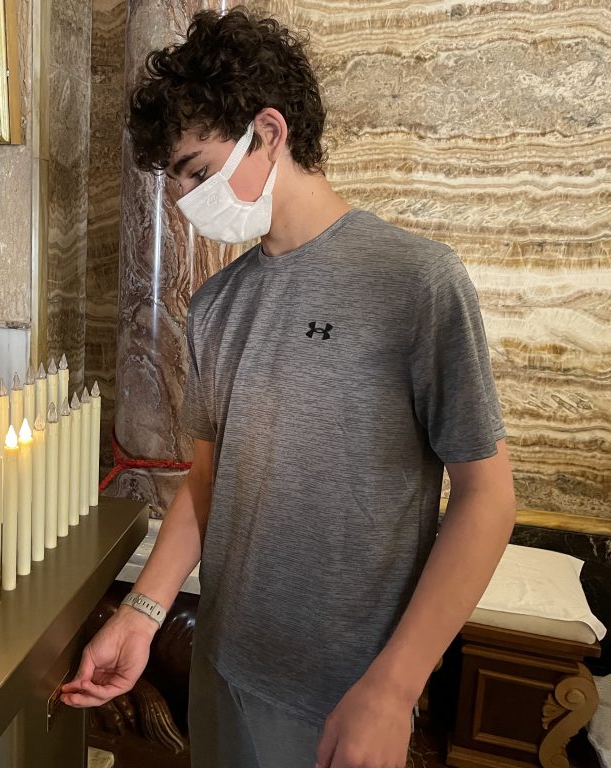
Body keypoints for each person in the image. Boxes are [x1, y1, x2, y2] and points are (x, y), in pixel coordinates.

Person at [61, 8, 516, 768]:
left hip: (346, 696)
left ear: (269, 131)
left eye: (198, 171)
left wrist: (394, 688)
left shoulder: (415, 282)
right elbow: (208, 482)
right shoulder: (216, 305)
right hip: (223, 671)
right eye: (176, 182)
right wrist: (142, 612)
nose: (186, 201)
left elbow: (487, 498)